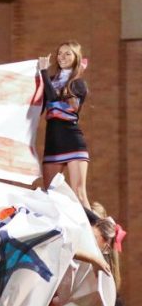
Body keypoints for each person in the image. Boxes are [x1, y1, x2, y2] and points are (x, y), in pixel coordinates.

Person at [38, 41, 90, 206]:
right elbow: (39, 107)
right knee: (51, 195)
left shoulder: (78, 84)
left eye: (68, 53)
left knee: (79, 195)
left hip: (73, 141)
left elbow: (54, 98)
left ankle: (101, 231)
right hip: (53, 142)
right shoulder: (50, 80)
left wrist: (43, 72)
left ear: (76, 58)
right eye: (60, 53)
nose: (62, 57)